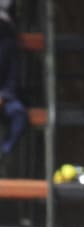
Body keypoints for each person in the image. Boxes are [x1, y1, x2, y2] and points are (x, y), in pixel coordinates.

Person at [0, 8, 28, 166]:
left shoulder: (9, 45)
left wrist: (3, 97)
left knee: (19, 114)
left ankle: (3, 152)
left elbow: (13, 78)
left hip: (5, 98)